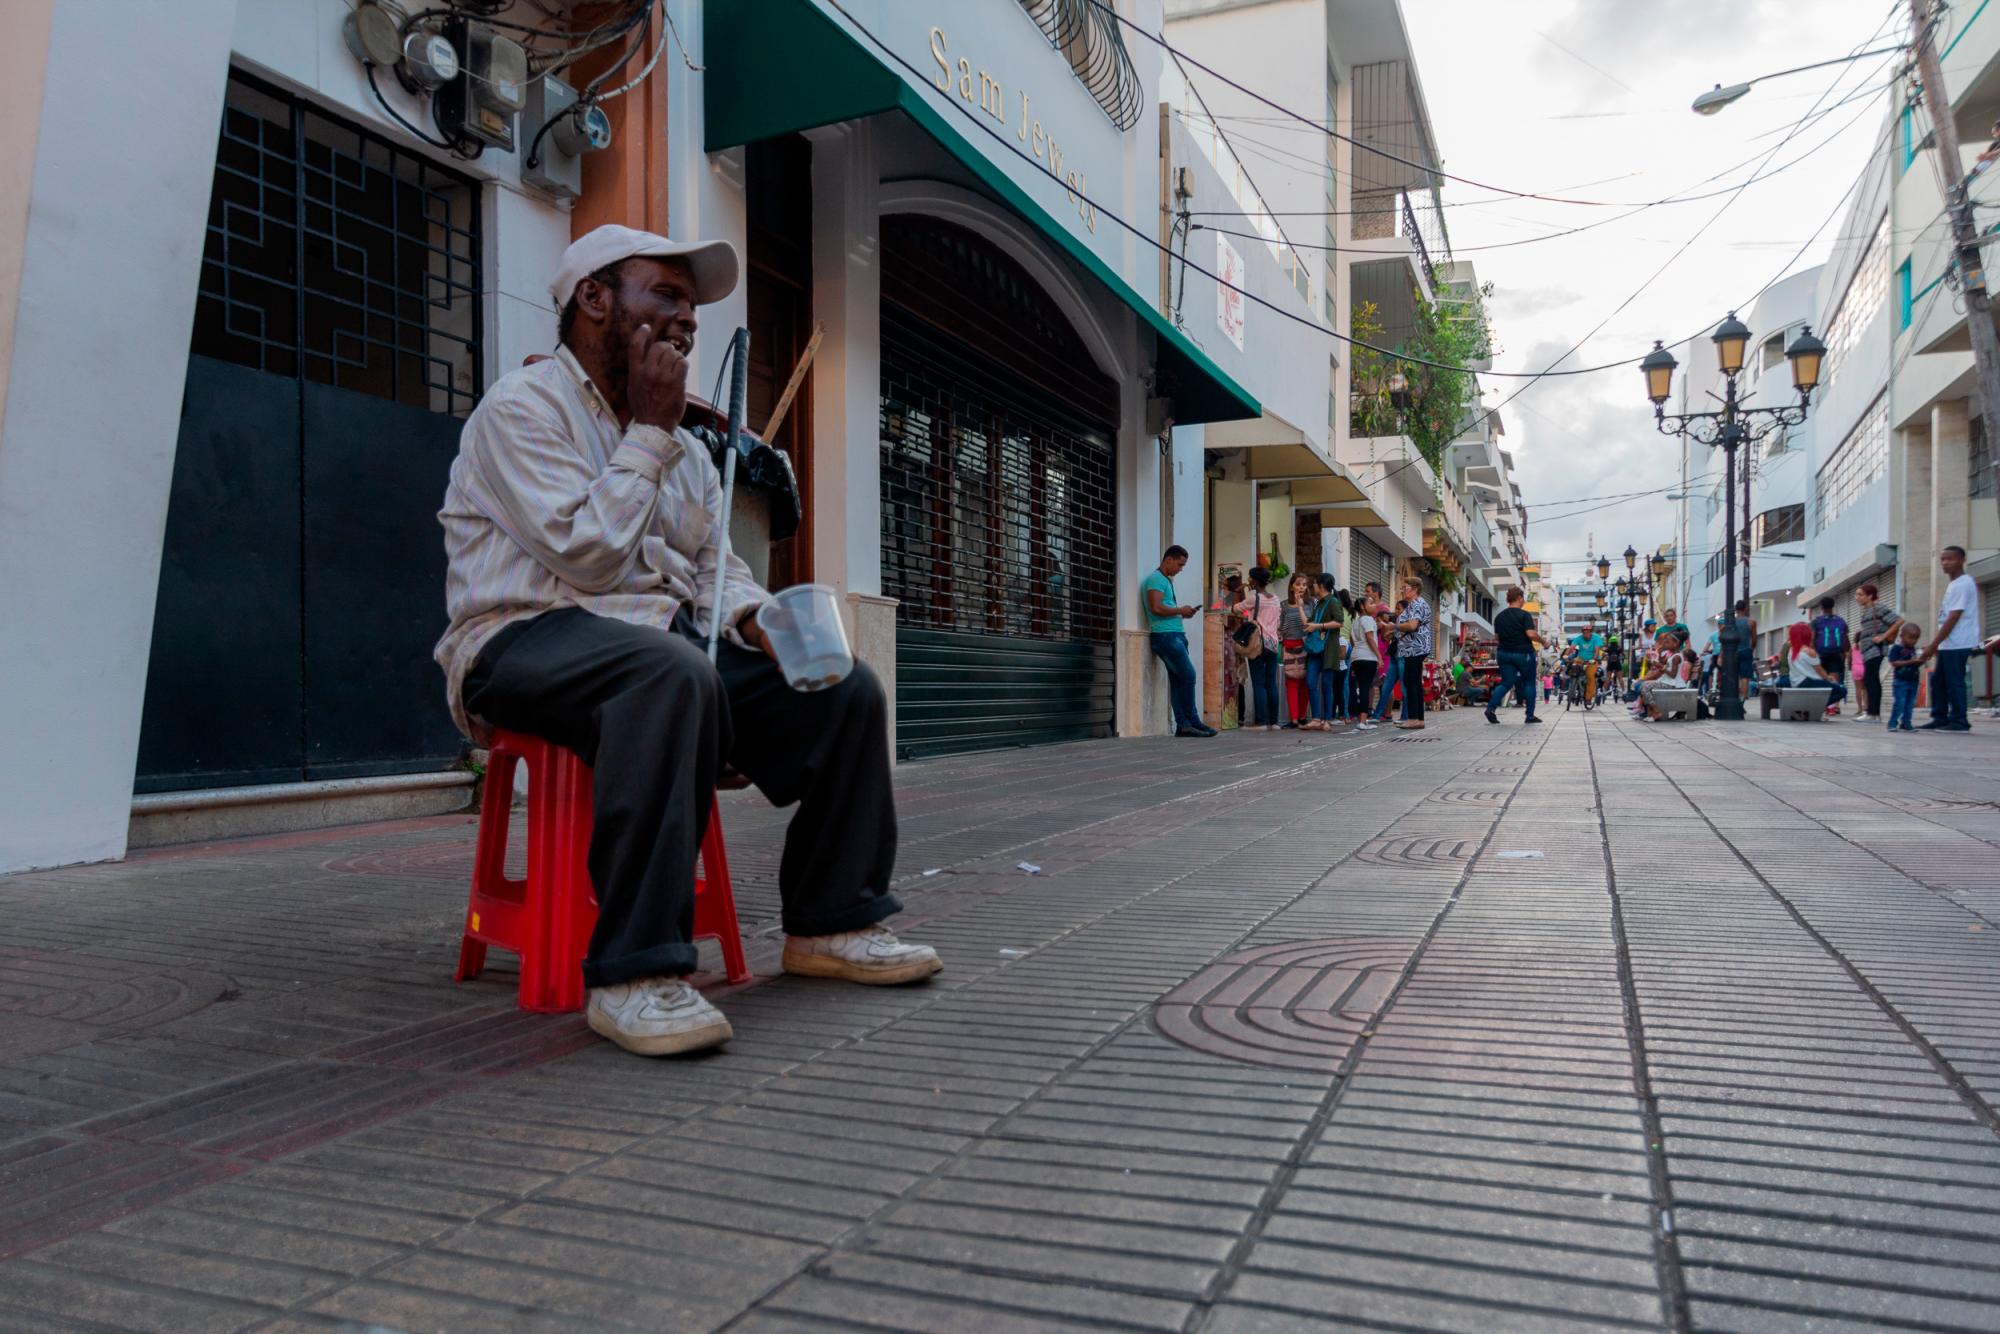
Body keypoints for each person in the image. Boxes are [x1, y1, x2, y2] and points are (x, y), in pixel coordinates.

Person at [436, 225, 937, 1058]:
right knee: (667, 673)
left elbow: (713, 568)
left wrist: (757, 621)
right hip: (520, 636)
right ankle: (636, 975)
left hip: (656, 646)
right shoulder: (521, 409)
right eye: (665, 296)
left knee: (844, 689)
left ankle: (833, 921)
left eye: (692, 308)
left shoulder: (689, 454)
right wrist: (652, 431)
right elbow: (587, 557)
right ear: (594, 298)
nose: (687, 319)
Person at [1142, 545, 1214, 738]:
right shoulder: (1156, 579)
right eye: (1179, 565)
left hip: (1173, 634)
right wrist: (1181, 610)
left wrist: (1183, 613)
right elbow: (1156, 607)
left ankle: (1184, 724)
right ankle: (1191, 721)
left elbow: (1164, 608)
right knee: (1189, 675)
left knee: (1178, 680)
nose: (1180, 569)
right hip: (1166, 636)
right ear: (1169, 560)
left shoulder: (1164, 580)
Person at [1914, 544, 1981, 732]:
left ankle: (1959, 721)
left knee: (1954, 682)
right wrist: (1938, 644)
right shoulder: (1954, 584)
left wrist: (1933, 644)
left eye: (1950, 559)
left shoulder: (1963, 583)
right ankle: (1940, 718)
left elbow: (1954, 617)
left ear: (1962, 560)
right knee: (1939, 682)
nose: (1945, 563)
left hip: (1959, 642)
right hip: (1948, 643)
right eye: (1942, 559)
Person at [1234, 566, 1283, 730]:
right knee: (1271, 683)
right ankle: (1274, 722)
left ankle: (1261, 722)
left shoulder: (1254, 598)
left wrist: (1241, 589)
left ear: (1254, 581)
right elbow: (1278, 621)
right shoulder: (1275, 599)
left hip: (1257, 644)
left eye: (1250, 578)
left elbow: (1235, 608)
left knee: (1258, 683)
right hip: (1273, 644)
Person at [1486, 587, 1544, 725]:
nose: (1524, 601)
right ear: (1519, 598)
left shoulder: (1499, 617)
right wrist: (1544, 642)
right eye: (1523, 598)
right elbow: (1531, 634)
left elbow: (1497, 637)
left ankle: (1490, 708)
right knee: (1529, 683)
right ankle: (1530, 715)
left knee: (1506, 682)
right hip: (1523, 653)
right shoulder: (1524, 615)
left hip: (1504, 653)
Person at [1303, 574, 1347, 731]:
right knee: (1310, 682)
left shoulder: (1333, 602)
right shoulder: (1319, 603)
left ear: (1321, 585)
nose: (1313, 586)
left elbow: (1339, 622)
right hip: (1315, 648)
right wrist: (1300, 606)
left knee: (1327, 685)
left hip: (1328, 649)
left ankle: (1327, 719)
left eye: (1315, 584)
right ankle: (1316, 718)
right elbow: (1308, 623)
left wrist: (1319, 626)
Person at [1853, 583, 1902, 722]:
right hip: (1868, 650)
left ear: (1870, 596)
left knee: (1871, 680)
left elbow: (1899, 621)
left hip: (1875, 649)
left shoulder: (1878, 608)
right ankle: (1872, 713)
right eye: (1856, 594)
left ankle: (1873, 713)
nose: (1857, 597)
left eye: (1860, 594)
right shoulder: (1867, 610)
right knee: (1870, 679)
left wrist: (1883, 637)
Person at [1393, 577, 1432, 730]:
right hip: (1413, 647)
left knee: (1411, 682)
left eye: (1405, 588)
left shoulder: (1417, 604)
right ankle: (1418, 719)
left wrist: (1393, 626)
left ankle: (1414, 718)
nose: (1402, 590)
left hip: (1415, 648)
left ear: (1414, 589)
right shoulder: (1415, 604)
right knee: (1414, 682)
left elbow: (1412, 625)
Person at [1279, 573, 1315, 729]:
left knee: (1305, 682)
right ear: (1292, 586)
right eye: (1298, 584)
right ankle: (1293, 719)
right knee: (1291, 682)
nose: (1301, 587)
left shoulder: (1311, 603)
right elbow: (1281, 627)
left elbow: (1311, 625)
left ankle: (1302, 716)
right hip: (1289, 644)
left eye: (1304, 584)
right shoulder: (1284, 605)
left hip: (1306, 645)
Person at [1811, 595, 1851, 715]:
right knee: (1835, 680)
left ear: (1821, 607)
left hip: (1820, 654)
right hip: (1836, 654)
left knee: (1820, 678)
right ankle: (1834, 707)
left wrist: (1813, 653)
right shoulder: (1840, 621)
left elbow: (1812, 638)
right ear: (1833, 606)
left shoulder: (1816, 621)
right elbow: (1845, 638)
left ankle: (1822, 705)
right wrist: (1845, 652)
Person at [1348, 592, 1381, 725]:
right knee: (1365, 689)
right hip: (1368, 658)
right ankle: (1363, 721)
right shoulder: (1368, 619)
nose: (1374, 605)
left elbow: (1352, 641)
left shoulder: (1355, 622)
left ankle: (1360, 719)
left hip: (1356, 657)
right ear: (1362, 607)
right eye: (1371, 603)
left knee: (1362, 688)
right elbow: (1370, 638)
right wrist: (1379, 656)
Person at [1885, 621, 1923, 732]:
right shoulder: (1897, 648)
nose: (1913, 641)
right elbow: (1894, 662)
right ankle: (1892, 723)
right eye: (1910, 638)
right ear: (1902, 636)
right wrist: (1910, 662)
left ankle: (1906, 723)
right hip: (1900, 681)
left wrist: (1921, 660)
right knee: (1900, 703)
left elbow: (1916, 663)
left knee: (1910, 704)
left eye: (1916, 638)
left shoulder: (1915, 649)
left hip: (1913, 680)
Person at [1568, 619, 1606, 706]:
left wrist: (1594, 659)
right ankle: (1574, 687)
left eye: (1588, 632)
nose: (1586, 634)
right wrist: (1566, 655)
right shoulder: (1579, 638)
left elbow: (1597, 651)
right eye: (1584, 632)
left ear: (1591, 632)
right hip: (1581, 659)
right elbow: (1572, 647)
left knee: (1590, 676)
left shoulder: (1596, 638)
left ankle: (1588, 698)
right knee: (1572, 668)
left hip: (1592, 660)